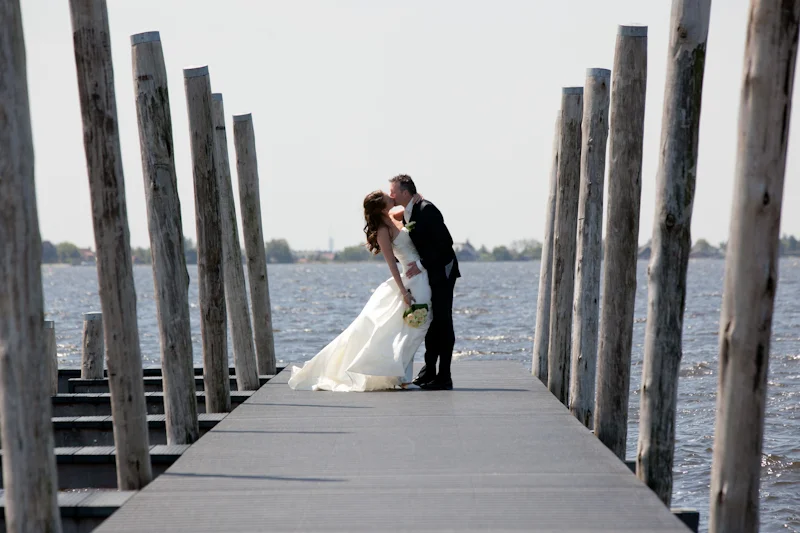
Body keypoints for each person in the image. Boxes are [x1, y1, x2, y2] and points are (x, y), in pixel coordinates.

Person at [287, 189, 432, 391]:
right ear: (381, 207)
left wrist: (417, 199)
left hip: (421, 275)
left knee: (409, 327)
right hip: (409, 278)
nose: (391, 197)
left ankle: (400, 375)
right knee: (416, 325)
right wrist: (403, 292)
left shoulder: (393, 217)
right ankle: (402, 376)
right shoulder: (383, 230)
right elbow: (391, 263)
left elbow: (411, 209)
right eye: (386, 196)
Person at [388, 174, 459, 390]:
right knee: (431, 320)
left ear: (405, 193)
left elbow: (447, 244)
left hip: (443, 272)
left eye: (393, 191)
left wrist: (421, 264)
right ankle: (429, 370)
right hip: (428, 274)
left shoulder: (427, 209)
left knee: (443, 321)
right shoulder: (409, 210)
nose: (391, 195)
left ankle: (444, 376)